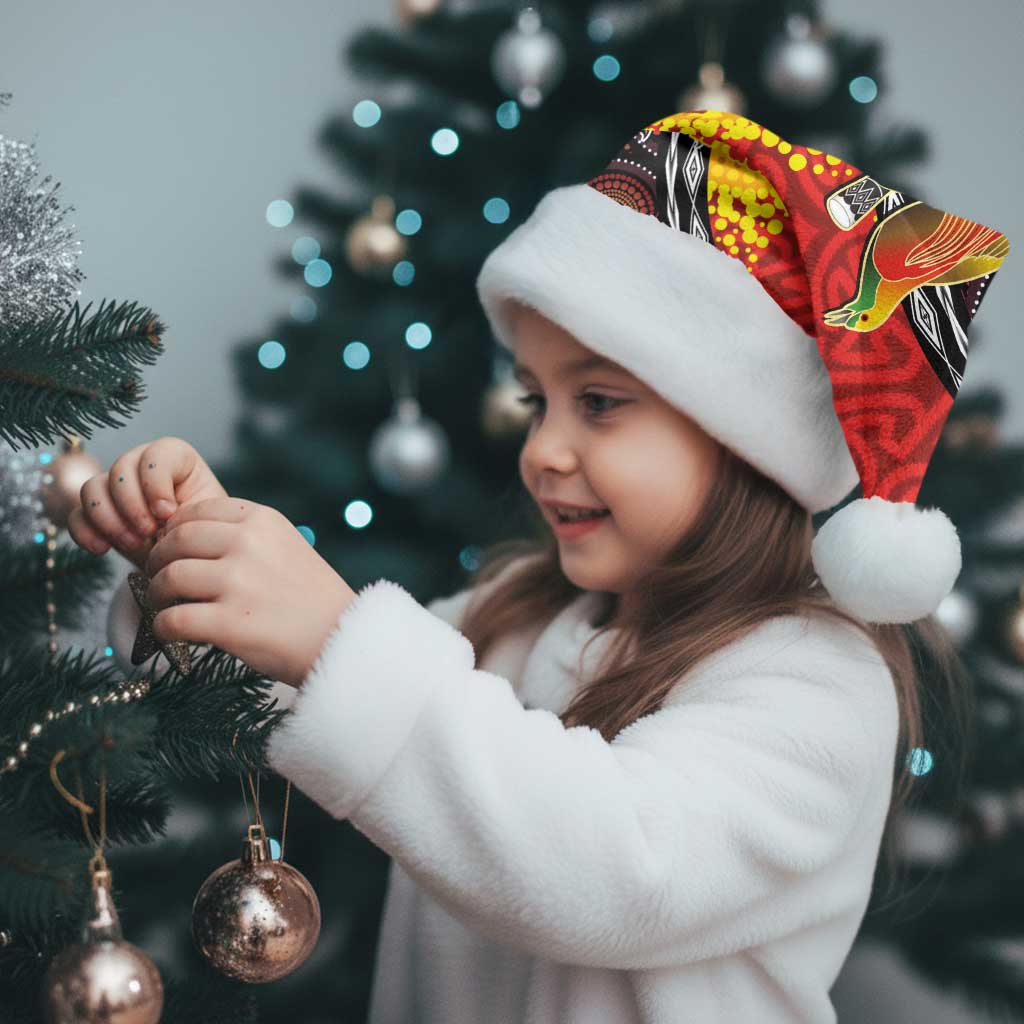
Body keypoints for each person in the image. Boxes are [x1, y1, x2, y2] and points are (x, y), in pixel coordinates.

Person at [74, 109, 1010, 1023]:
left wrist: (334, 637)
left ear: (746, 438)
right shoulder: (516, 615)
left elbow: (616, 871)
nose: (542, 451)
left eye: (598, 402)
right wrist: (193, 563)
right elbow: (304, 691)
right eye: (536, 401)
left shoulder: (818, 682)